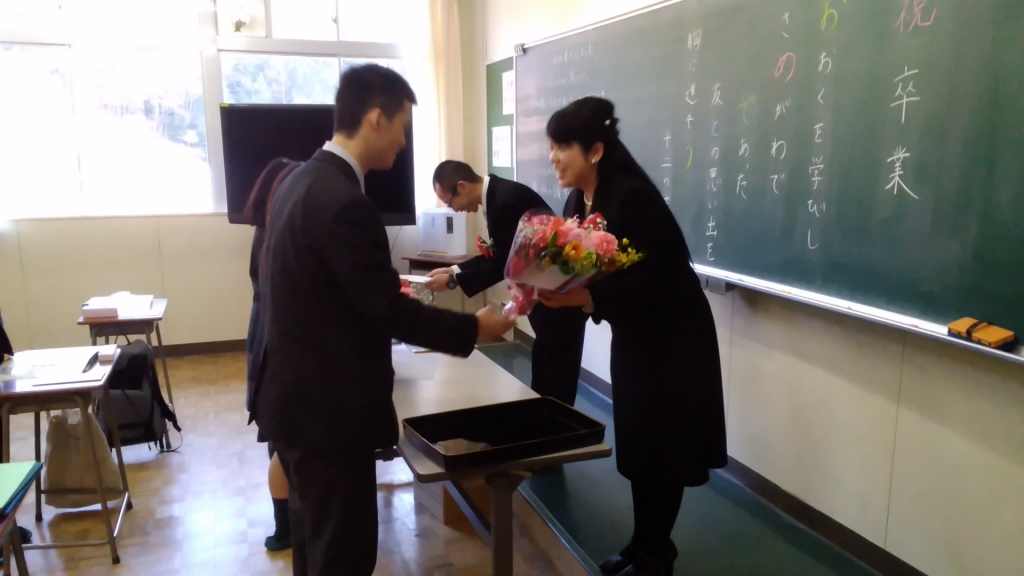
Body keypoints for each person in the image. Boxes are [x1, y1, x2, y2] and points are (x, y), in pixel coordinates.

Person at [249, 64, 515, 576]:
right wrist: (474, 329)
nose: (403, 142)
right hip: (328, 415)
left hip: (293, 404)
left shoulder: (299, 182)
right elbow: (387, 312)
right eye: (402, 127)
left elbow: (326, 292)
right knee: (343, 555)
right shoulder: (343, 201)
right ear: (376, 118)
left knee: (314, 545)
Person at [536, 97, 727, 576]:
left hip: (674, 339)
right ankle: (642, 544)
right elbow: (577, 269)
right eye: (552, 146)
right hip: (636, 337)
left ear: (595, 151)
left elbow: (655, 281)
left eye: (563, 146)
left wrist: (585, 299)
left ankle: (657, 555)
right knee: (640, 444)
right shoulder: (578, 201)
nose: (553, 157)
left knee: (665, 448)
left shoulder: (632, 198)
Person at [424, 160, 588, 406]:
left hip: (560, 303)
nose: (454, 210)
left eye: (450, 202)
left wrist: (453, 280)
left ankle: (555, 424)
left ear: (462, 186)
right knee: (544, 374)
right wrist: (455, 270)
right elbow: (502, 253)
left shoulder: (506, 201)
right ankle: (544, 421)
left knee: (556, 381)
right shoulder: (497, 195)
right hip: (545, 300)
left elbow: (503, 262)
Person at [243, 157, 302, 552]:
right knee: (284, 446)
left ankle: (284, 527)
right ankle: (286, 529)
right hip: (279, 343)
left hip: (263, 335)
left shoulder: (264, 228)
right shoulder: (282, 232)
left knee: (278, 440)